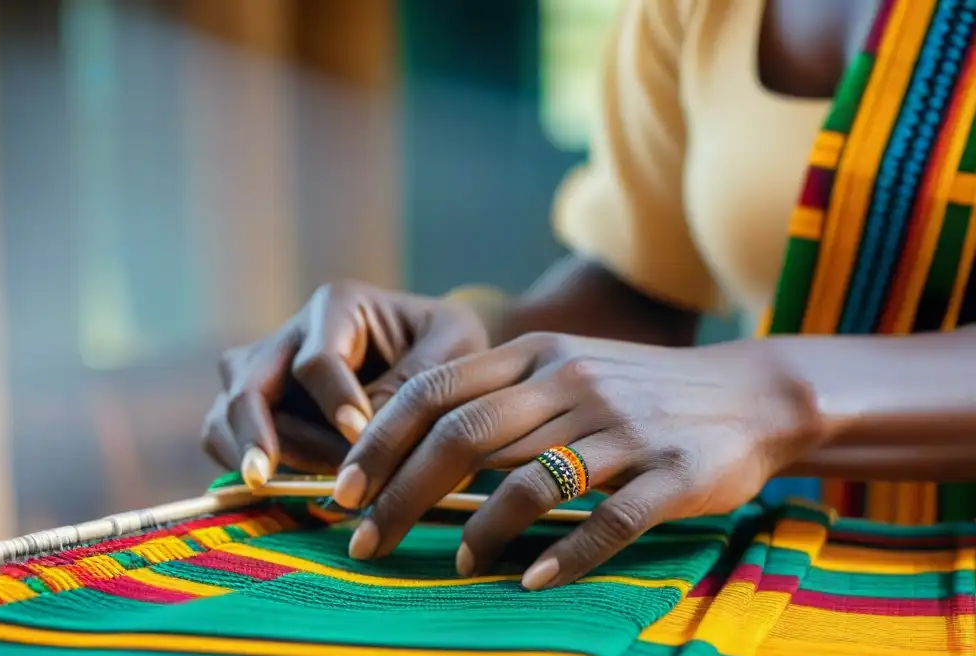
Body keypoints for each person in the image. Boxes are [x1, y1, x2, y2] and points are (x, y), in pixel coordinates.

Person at [203, 0, 976, 593]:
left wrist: (774, 393)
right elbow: (645, 289)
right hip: (799, 575)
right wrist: (453, 362)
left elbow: (726, 386)